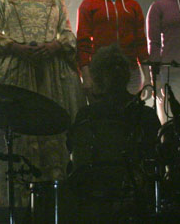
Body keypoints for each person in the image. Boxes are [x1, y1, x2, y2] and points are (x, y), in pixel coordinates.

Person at [0, 0, 85, 206]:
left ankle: (50, 203)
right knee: (16, 137)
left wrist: (55, 46)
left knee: (52, 138)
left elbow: (69, 36)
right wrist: (15, 47)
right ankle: (13, 204)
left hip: (50, 77)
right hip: (14, 74)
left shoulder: (56, 2)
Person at [68, 44, 160, 223]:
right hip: (115, 191)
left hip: (118, 193)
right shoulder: (88, 115)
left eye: (120, 66)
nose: (117, 70)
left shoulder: (142, 113)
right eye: (112, 67)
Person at [76, 0, 150, 100]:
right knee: (103, 116)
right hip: (100, 72)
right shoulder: (88, 6)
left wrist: (147, 78)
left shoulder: (132, 6)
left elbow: (141, 42)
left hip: (130, 71)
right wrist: (86, 76)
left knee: (130, 115)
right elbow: (82, 43)